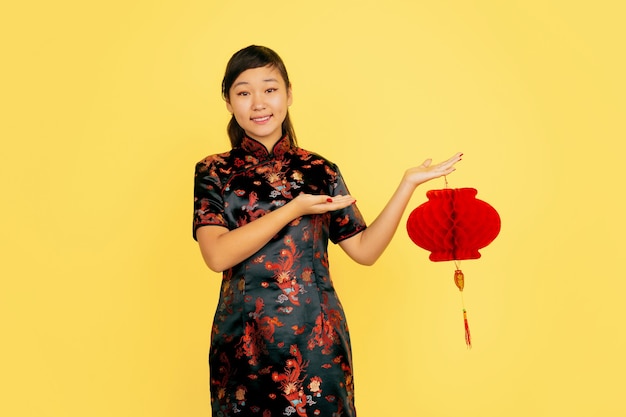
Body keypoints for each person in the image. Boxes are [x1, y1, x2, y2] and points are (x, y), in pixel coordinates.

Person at [193, 45, 462, 417]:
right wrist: (294, 208)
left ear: (289, 93)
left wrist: (407, 185)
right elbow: (217, 254)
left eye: (270, 89)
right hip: (242, 345)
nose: (258, 103)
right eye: (243, 92)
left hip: (317, 341)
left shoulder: (321, 170)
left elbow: (365, 250)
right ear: (228, 102)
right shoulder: (214, 170)